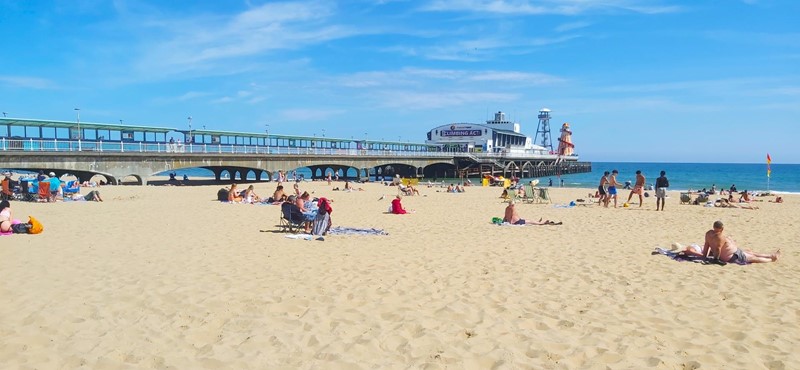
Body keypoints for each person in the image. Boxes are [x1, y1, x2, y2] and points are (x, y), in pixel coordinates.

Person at [702, 220, 779, 264]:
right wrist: (716, 260)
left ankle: (770, 255)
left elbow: (706, 245)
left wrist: (704, 256)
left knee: (750, 252)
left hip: (733, 253)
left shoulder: (708, 233)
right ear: (722, 228)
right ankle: (771, 259)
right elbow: (718, 248)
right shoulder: (720, 236)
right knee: (752, 258)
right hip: (732, 256)